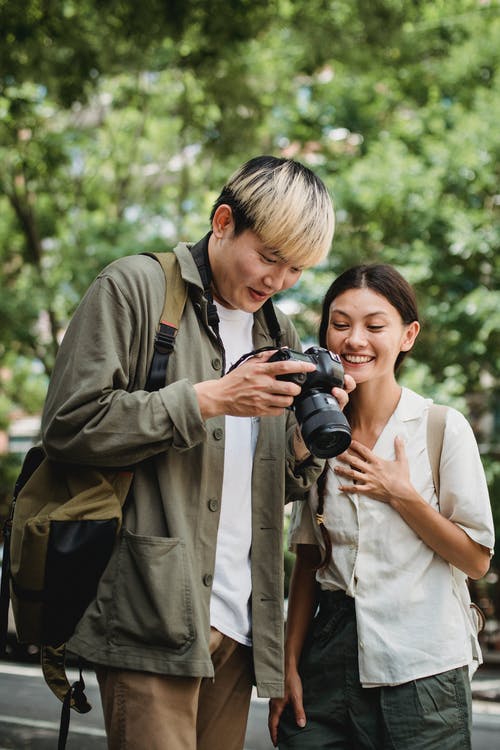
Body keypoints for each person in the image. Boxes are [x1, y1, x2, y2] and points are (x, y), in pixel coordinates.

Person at [40, 155, 352, 750]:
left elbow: (273, 485)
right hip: (153, 607)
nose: (278, 281)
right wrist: (209, 399)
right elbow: (69, 426)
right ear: (224, 220)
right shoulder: (135, 288)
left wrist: (308, 445)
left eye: (296, 270)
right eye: (268, 257)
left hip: (240, 619)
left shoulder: (277, 333)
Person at [269, 263, 495, 750]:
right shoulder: (315, 430)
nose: (355, 340)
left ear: (407, 335)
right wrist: (288, 666)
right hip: (325, 661)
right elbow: (309, 558)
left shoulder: (439, 427)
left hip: (424, 669)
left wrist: (401, 494)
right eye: (341, 322)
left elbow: (475, 559)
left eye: (375, 326)